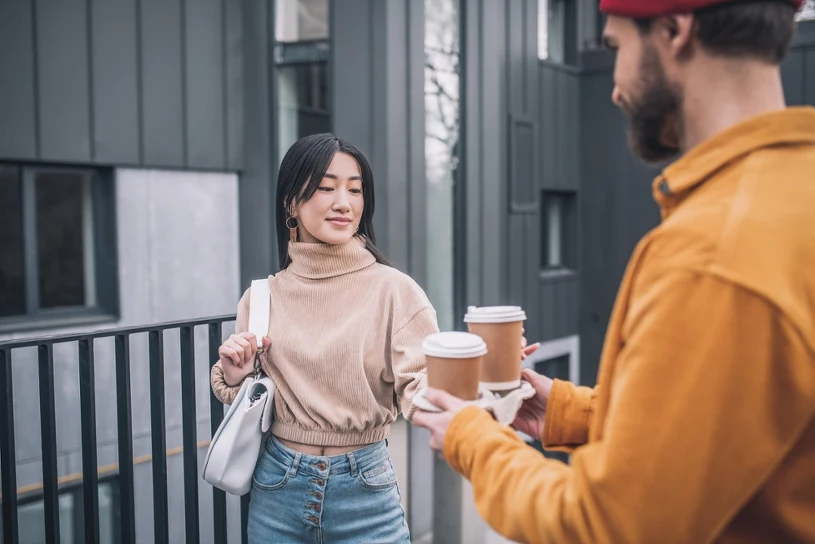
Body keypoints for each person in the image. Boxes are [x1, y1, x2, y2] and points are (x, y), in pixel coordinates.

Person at [413, 1, 815, 542]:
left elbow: (608, 525)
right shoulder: (793, 192)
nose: (615, 88)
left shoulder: (714, 254)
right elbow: (730, 430)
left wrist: (473, 439)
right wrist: (567, 412)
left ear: (676, 29)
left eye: (616, 47)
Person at [209, 133, 438, 543]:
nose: (344, 203)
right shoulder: (260, 298)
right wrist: (235, 375)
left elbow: (422, 384)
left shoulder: (394, 291)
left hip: (366, 490)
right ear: (290, 203)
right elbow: (251, 396)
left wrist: (469, 387)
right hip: (277, 486)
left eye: (355, 189)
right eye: (325, 187)